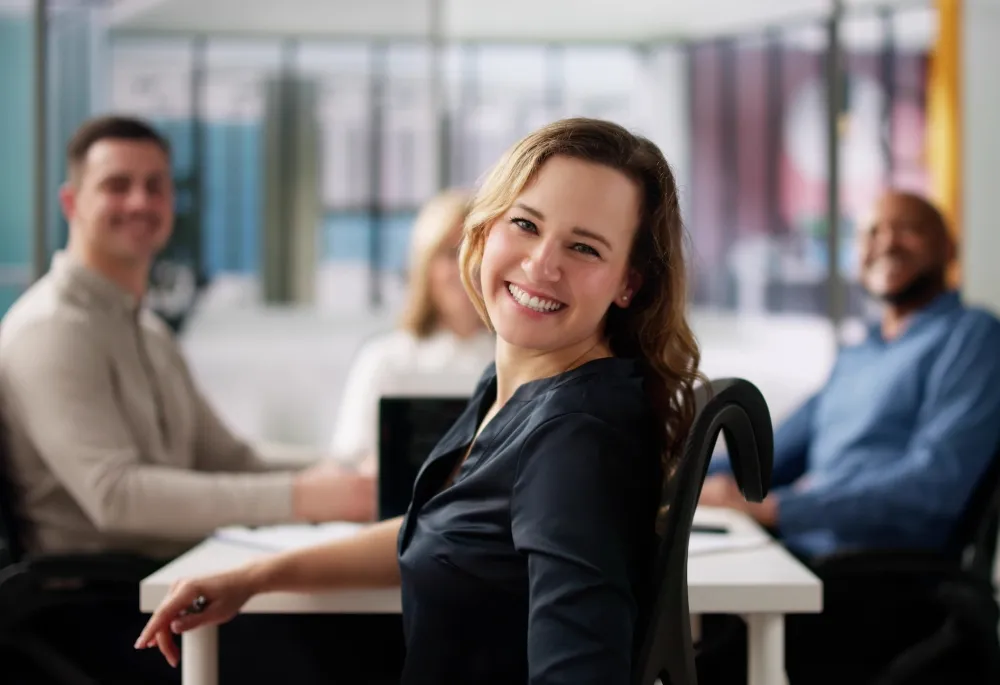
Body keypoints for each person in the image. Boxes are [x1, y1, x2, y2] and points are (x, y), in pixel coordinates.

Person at [136, 117, 703, 685]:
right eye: (526, 224)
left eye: (584, 247)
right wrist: (256, 576)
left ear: (628, 283)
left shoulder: (575, 435)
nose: (542, 264)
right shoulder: (515, 389)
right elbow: (446, 533)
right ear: (483, 231)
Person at [0, 115, 376, 683]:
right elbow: (116, 497)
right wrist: (309, 498)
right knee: (349, 643)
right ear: (72, 201)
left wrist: (349, 471)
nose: (140, 201)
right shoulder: (51, 330)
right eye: (117, 185)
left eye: (156, 186)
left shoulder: (146, 328)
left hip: (167, 578)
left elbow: (229, 456)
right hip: (98, 604)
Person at [697, 190, 1000, 684]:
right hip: (805, 562)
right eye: (871, 233)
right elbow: (766, 458)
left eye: (907, 229)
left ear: (949, 249)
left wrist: (779, 508)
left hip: (883, 583)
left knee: (700, 660)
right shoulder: (858, 356)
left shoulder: (973, 337)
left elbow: (934, 487)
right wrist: (681, 481)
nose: (885, 242)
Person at [329, 188, 494, 470]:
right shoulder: (384, 359)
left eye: (478, 252)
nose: (466, 267)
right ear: (425, 265)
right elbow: (348, 461)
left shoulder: (518, 360)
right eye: (451, 253)